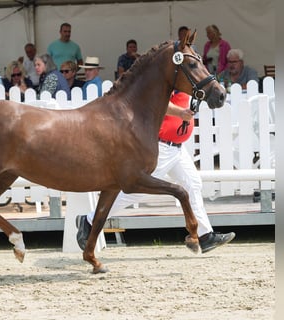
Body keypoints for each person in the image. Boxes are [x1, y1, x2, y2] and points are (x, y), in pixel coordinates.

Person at [76, 91, 236, 254]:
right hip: (162, 147)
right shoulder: (174, 78)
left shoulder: (187, 79)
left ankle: (204, 236)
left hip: (178, 149)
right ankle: (89, 221)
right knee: (137, 192)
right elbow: (158, 100)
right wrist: (180, 113)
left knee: (193, 184)